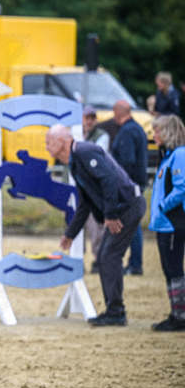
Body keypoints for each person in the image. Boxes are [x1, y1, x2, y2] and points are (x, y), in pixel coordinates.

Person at [46, 124, 146, 326]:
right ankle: (115, 311)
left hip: (129, 206)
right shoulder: (75, 162)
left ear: (62, 142)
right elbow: (85, 202)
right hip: (122, 207)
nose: (46, 147)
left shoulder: (85, 151)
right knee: (106, 256)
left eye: (48, 142)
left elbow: (108, 178)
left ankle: (116, 312)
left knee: (109, 256)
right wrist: (71, 233)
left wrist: (110, 214)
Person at [148, 115, 185, 331]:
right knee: (168, 269)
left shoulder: (179, 154)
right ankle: (176, 313)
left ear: (168, 132)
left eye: (157, 131)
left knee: (174, 269)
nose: (154, 135)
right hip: (164, 224)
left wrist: (163, 206)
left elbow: (182, 188)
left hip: (173, 222)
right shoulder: (168, 156)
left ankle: (180, 316)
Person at [109, 100, 149, 276]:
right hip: (137, 183)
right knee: (133, 224)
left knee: (132, 225)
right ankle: (134, 262)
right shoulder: (138, 129)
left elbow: (126, 162)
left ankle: (135, 264)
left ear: (118, 113)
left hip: (129, 186)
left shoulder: (127, 131)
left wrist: (120, 185)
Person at [82, 105, 110, 274]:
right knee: (76, 224)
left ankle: (97, 260)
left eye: (92, 118)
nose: (90, 121)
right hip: (78, 187)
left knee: (96, 226)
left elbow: (95, 155)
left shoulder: (102, 136)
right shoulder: (76, 134)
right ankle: (77, 259)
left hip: (94, 188)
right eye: (87, 118)